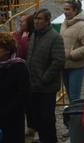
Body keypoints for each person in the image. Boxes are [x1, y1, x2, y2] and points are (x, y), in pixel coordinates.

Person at [26, 8, 64, 143]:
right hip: (33, 85)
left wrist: (44, 78)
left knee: (47, 119)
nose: (35, 21)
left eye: (39, 19)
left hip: (47, 88)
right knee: (38, 120)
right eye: (35, 18)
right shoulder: (34, 35)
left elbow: (58, 61)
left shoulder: (55, 37)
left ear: (47, 21)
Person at [0, 32, 29, 143]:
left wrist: (8, 110)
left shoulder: (19, 66)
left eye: (0, 47)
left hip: (13, 114)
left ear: (8, 50)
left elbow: (23, 93)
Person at [60, 0, 84, 103]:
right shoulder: (64, 23)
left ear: (75, 10)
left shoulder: (82, 26)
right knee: (70, 95)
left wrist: (71, 54)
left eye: (67, 9)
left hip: (76, 67)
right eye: (64, 9)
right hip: (64, 66)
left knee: (74, 97)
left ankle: (77, 118)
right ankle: (72, 118)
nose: (65, 12)